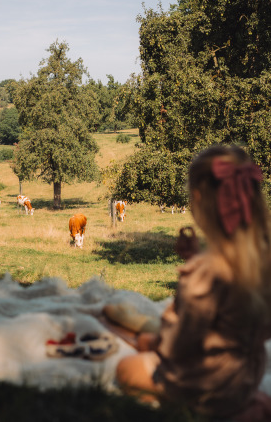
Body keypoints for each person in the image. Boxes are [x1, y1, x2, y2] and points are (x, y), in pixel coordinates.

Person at [105, 145, 271, 420]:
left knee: (128, 367)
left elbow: (181, 344)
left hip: (202, 383)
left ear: (197, 199)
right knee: (147, 342)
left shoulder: (205, 274)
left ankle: (182, 406)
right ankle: (247, 403)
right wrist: (196, 256)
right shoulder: (262, 265)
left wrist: (158, 340)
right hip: (244, 377)